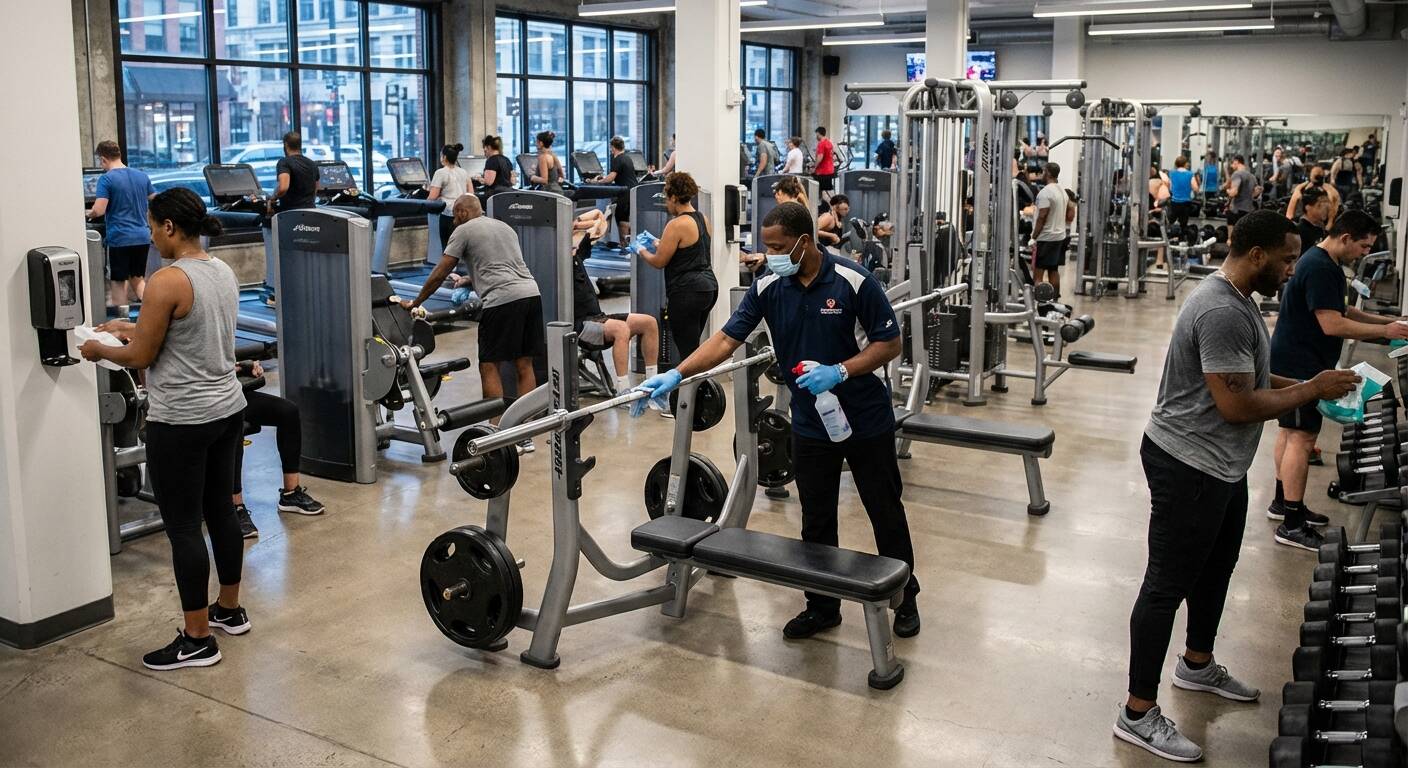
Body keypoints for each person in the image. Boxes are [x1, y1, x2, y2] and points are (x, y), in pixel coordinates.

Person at [1115, 210, 1359, 762]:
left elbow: (1250, 375)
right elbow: (1236, 404)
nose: (1294, 270)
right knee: (1165, 585)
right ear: (1257, 255)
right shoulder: (1222, 308)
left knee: (1216, 567)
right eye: (1287, 259)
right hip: (1188, 463)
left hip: (1220, 466)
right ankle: (1136, 712)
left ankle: (1196, 665)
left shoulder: (1241, 297)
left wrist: (1309, 387)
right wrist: (1309, 390)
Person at [630, 201, 922, 639]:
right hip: (809, 423)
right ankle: (823, 606)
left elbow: (890, 342)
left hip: (864, 418)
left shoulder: (852, 281)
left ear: (805, 242)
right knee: (816, 517)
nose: (770, 255)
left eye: (779, 247)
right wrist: (673, 373)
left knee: (883, 509)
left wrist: (841, 370)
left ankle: (906, 598)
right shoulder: (769, 286)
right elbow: (726, 340)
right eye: (766, 247)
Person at [78, 188, 253, 671]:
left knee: (181, 526)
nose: (151, 235)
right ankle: (230, 609)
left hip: (183, 420)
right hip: (226, 409)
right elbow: (182, 335)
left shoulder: (166, 280)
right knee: (221, 510)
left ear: (170, 227)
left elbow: (140, 358)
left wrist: (99, 350)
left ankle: (197, 638)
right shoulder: (220, 270)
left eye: (154, 227)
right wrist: (123, 328)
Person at [1268, 210, 1399, 551]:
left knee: (1290, 432)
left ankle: (1284, 503)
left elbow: (1346, 312)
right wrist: (1385, 331)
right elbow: (1333, 324)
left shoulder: (1322, 261)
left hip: (1294, 357)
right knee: (1301, 436)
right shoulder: (1322, 267)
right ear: (1345, 238)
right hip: (1300, 363)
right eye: (1364, 246)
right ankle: (1292, 525)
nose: (1365, 253)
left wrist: (1390, 324)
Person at [404, 195, 544, 450]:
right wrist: (470, 280)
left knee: (489, 365)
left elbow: (440, 272)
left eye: (455, 215)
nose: (454, 221)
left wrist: (416, 301)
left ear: (462, 212)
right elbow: (499, 265)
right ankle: (526, 434)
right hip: (531, 294)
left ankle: (494, 432)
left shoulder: (464, 230)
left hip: (501, 301)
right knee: (524, 364)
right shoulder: (504, 227)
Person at [230, 360, 326, 539]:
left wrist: (246, 366)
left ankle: (290, 494)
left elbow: (227, 362)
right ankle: (235, 507)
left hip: (235, 393)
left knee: (288, 412)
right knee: (234, 427)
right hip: (210, 401)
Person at [570, 211, 660, 392]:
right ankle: (623, 391)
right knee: (621, 329)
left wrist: (577, 223)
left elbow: (599, 220)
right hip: (581, 326)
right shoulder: (559, 262)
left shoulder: (578, 255)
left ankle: (653, 384)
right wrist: (574, 228)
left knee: (649, 322)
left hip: (598, 318)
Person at [634, 172, 717, 362]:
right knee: (693, 347)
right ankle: (696, 390)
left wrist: (640, 250)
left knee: (687, 353)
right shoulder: (702, 218)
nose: (666, 204)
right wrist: (658, 243)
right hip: (708, 288)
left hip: (687, 292)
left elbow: (659, 262)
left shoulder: (676, 224)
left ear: (673, 197)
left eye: (667, 199)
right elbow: (689, 250)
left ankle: (684, 391)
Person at [86, 140, 155, 308]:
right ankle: (154, 312)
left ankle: (121, 324)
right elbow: (156, 201)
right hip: (142, 236)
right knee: (137, 279)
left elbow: (99, 210)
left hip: (120, 238)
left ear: (103, 159)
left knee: (118, 282)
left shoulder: (106, 179)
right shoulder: (141, 176)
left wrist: (88, 213)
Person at [593, 136, 641, 250]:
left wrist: (598, 181)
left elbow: (610, 178)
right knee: (625, 218)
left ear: (613, 148)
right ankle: (627, 245)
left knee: (621, 219)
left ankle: (624, 247)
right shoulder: (628, 158)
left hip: (624, 192)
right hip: (632, 191)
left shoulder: (618, 159)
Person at [1030, 163, 1068, 295]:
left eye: (1044, 171)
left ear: (1049, 174)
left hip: (1046, 238)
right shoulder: (1062, 191)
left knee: (1038, 273)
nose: (1042, 174)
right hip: (1059, 237)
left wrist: (1033, 237)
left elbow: (1042, 216)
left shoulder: (1045, 193)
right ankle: (1055, 299)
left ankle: (1038, 302)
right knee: (1053, 270)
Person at [427, 142, 471, 248]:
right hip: (462, 212)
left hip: (448, 213)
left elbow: (432, 197)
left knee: (448, 247)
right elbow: (471, 193)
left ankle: (450, 265)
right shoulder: (464, 172)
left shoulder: (440, 173)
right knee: (461, 246)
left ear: (444, 157)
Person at [269, 131, 319, 214]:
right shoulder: (312, 163)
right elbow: (316, 189)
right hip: (310, 211)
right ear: (300, 145)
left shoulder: (284, 162)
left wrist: (273, 198)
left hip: (290, 213)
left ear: (286, 145)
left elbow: (283, 188)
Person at [1165, 156, 1201, 245]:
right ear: (1185, 164)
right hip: (1185, 203)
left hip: (1174, 203)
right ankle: (1182, 242)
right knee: (1183, 225)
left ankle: (1166, 240)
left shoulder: (1172, 173)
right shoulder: (1190, 174)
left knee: (1169, 222)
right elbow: (1196, 188)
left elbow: (1169, 187)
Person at [474, 134, 515, 200]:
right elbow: (513, 181)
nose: (485, 152)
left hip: (495, 196)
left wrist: (478, 178)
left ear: (488, 147)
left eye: (485, 149)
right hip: (508, 195)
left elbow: (489, 182)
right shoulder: (507, 160)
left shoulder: (491, 160)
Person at [1224, 155, 1257, 236]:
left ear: (1236, 162)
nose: (1231, 166)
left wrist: (1227, 190)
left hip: (1236, 211)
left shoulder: (1237, 174)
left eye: (1232, 164)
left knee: (1232, 238)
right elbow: (1256, 192)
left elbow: (1233, 192)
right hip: (1248, 210)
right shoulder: (1252, 177)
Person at [1292, 186, 1332, 253]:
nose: (1325, 208)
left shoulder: (1321, 229)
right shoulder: (1299, 231)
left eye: (1327, 203)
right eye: (1319, 205)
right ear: (1308, 207)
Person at [530, 130, 564, 195]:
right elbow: (561, 175)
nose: (535, 144)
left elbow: (544, 180)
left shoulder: (543, 157)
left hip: (549, 193)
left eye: (537, 142)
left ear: (541, 143)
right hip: (558, 191)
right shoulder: (553, 155)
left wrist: (533, 177)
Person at [813, 127, 836, 202]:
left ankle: (826, 206)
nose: (816, 137)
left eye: (816, 135)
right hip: (830, 170)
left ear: (819, 134)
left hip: (823, 171)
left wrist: (814, 167)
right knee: (828, 189)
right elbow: (832, 156)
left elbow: (820, 157)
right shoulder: (829, 142)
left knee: (823, 191)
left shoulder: (821, 143)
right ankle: (827, 205)